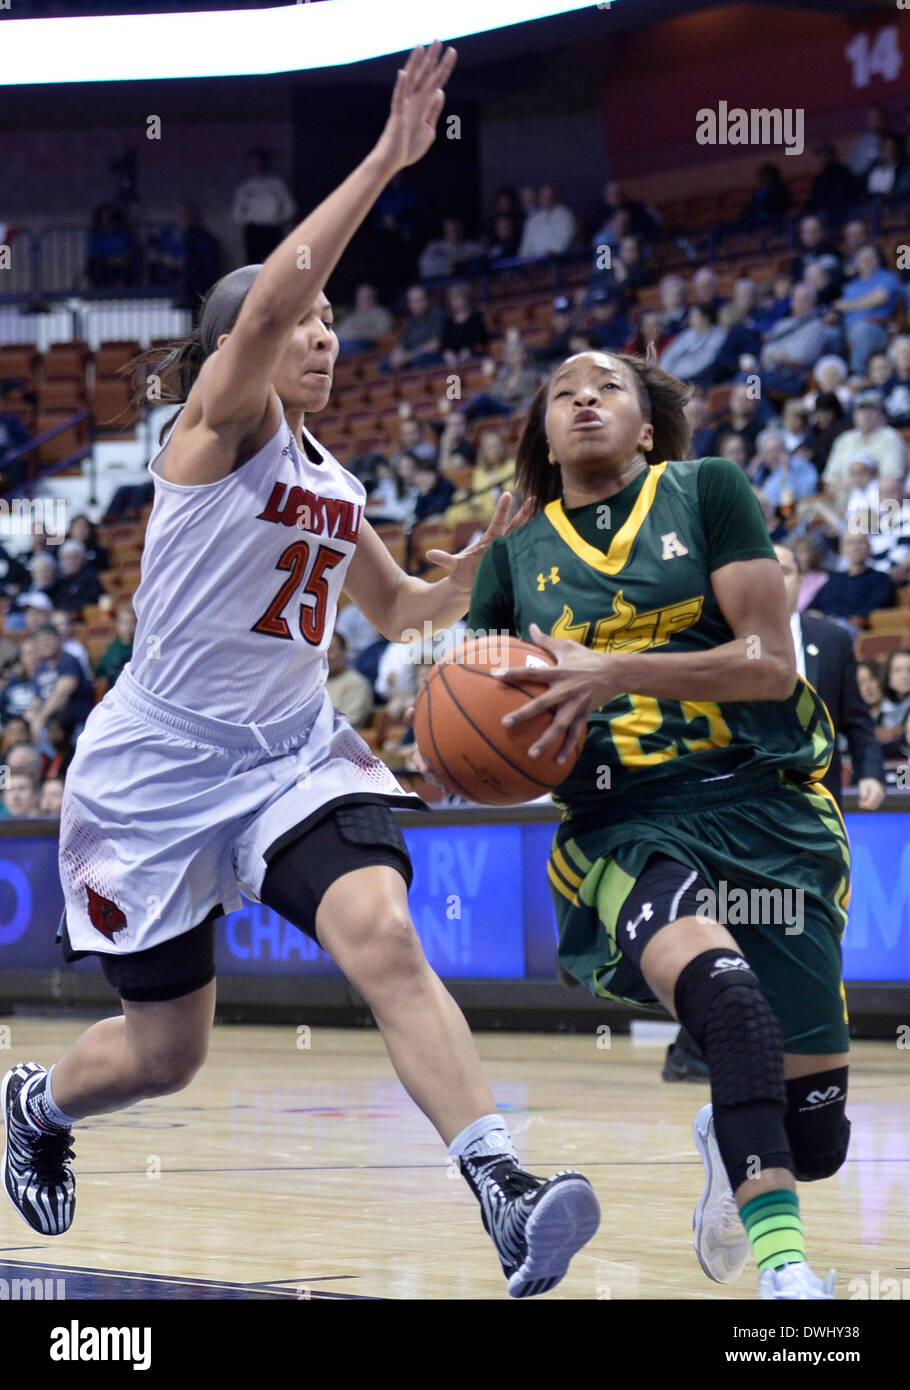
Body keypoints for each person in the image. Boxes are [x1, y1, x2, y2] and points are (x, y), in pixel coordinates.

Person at [0, 45, 598, 1300]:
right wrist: (387, 157)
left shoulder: (334, 480)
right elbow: (271, 296)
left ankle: (502, 1184)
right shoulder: (212, 431)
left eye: (333, 323)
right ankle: (37, 1103)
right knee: (170, 1053)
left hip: (288, 757)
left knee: (380, 932)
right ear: (237, 349)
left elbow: (391, 607)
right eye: (304, 320)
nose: (320, 332)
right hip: (157, 769)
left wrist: (468, 574)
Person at [468, 346, 852, 1298]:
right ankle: (786, 1270)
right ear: (545, 436)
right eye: (563, 392)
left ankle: (732, 1148)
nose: (584, 399)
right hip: (627, 824)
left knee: (820, 1138)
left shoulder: (708, 490)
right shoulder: (514, 560)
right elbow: (470, 719)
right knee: (727, 1001)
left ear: (647, 427)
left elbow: (769, 665)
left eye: (608, 388)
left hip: (765, 806)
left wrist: (613, 669)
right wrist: (456, 756)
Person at [812, 533, 896, 624]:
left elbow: (876, 611)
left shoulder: (881, 580)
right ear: (842, 550)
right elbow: (812, 608)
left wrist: (835, 617)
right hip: (824, 626)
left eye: (860, 543)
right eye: (849, 543)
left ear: (869, 548)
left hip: (854, 629)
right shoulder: (833, 580)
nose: (856, 548)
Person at [231, 148, 296, 263]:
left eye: (259, 163)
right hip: (253, 230)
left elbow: (289, 208)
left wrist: (277, 220)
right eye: (253, 164)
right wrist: (248, 221)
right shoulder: (245, 187)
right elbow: (237, 213)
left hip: (272, 229)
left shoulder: (277, 184)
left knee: (273, 263)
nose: (256, 167)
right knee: (253, 265)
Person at [383, 284, 445, 372]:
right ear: (409, 304)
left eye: (419, 300)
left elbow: (435, 344)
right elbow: (402, 345)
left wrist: (408, 356)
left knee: (419, 360)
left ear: (426, 300)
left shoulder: (436, 315)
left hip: (434, 355)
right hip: (411, 357)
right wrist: (395, 355)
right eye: (413, 301)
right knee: (385, 365)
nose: (417, 304)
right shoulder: (409, 322)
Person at [325, 633, 373, 730]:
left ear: (344, 651)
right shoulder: (311, 684)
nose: (325, 656)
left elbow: (348, 723)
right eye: (321, 651)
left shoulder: (357, 683)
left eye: (330, 650)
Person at [517, 184, 575, 260]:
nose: (547, 198)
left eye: (549, 195)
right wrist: (524, 259)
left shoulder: (565, 215)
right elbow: (525, 246)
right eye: (544, 195)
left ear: (555, 196)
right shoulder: (532, 219)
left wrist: (551, 253)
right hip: (534, 263)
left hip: (558, 261)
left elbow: (566, 240)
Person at [333, 283, 394, 355]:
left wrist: (359, 334)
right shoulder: (351, 315)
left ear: (373, 298)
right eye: (360, 297)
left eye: (367, 297)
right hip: (341, 343)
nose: (362, 300)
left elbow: (383, 332)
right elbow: (339, 331)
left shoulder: (380, 313)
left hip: (363, 344)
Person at [94, 603, 135, 691]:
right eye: (125, 623)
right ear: (118, 625)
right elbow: (101, 672)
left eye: (132, 623)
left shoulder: (139, 648)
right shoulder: (112, 648)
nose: (128, 627)